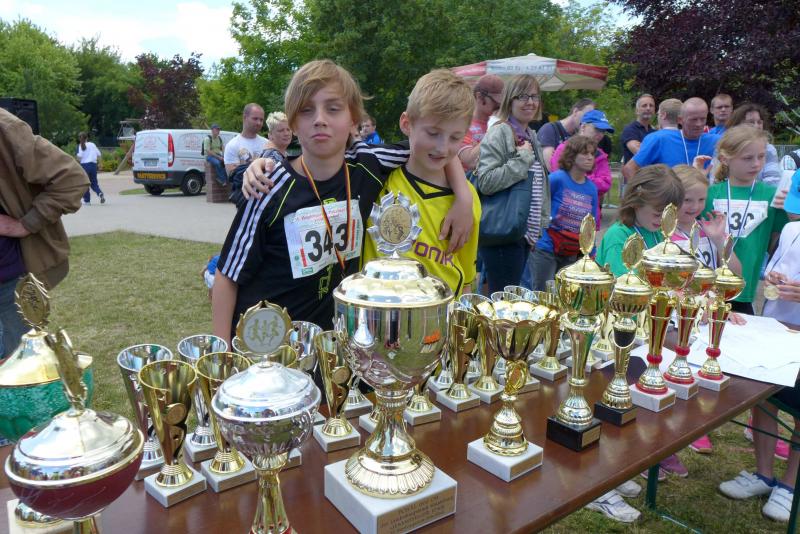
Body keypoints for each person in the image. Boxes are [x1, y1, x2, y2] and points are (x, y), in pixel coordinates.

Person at [212, 60, 473, 341]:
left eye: (333, 109)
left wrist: (464, 198)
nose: (320, 119)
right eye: (306, 110)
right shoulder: (268, 185)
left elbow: (434, 146)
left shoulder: (368, 166)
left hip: (333, 343)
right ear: (293, 123)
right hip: (269, 344)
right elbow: (226, 277)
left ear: (353, 119)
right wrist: (223, 353)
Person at [718, 175, 800, 523]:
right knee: (764, 395)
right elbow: (773, 274)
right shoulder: (793, 231)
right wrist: (775, 279)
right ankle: (764, 474)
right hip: (778, 328)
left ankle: (790, 486)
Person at [362, 69, 480, 297]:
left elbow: (465, 280)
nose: (442, 148)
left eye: (455, 137)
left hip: (441, 317)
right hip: (377, 313)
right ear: (406, 124)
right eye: (433, 133)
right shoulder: (376, 178)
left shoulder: (467, 199)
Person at [0, 108, 89, 359]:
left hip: (8, 283)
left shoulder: (5, 129)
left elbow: (72, 180)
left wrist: (25, 224)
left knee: (19, 367)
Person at [671, 164, 744, 456]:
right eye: (687, 200)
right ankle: (685, 426)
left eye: (701, 199)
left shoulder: (706, 230)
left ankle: (698, 421)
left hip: (709, 315)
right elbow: (677, 286)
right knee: (684, 369)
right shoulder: (667, 236)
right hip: (684, 317)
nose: (695, 206)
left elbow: (734, 274)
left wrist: (720, 240)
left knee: (709, 368)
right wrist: (707, 304)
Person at [473, 74, 551, 293]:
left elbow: (538, 188)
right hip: (503, 232)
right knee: (503, 300)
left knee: (506, 296)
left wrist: (537, 227)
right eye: (522, 96)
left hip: (521, 235)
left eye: (534, 96)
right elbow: (486, 181)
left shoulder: (530, 134)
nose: (530, 102)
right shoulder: (500, 132)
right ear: (510, 100)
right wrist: (523, 158)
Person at [704, 125, 788, 315]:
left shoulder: (772, 196)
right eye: (748, 158)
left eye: (761, 156)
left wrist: (792, 214)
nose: (756, 164)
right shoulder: (709, 195)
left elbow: (779, 246)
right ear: (725, 159)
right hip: (708, 291)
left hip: (744, 291)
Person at [529, 135, 598, 291]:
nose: (590, 157)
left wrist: (591, 251)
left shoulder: (591, 189)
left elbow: (590, 224)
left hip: (572, 249)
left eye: (592, 154)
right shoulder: (556, 179)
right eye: (585, 153)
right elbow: (537, 207)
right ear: (572, 156)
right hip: (547, 245)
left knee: (566, 293)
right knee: (543, 292)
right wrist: (534, 236)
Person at [622, 97, 719, 182]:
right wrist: (644, 194)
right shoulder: (660, 139)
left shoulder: (716, 141)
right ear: (680, 120)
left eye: (703, 119)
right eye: (693, 119)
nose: (699, 124)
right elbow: (629, 169)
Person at [549, 110, 613, 225]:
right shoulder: (564, 148)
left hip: (586, 220)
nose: (600, 135)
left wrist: (582, 181)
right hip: (560, 219)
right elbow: (560, 177)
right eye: (597, 129)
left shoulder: (600, 155)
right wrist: (583, 182)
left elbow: (606, 183)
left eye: (603, 131)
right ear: (583, 127)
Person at [230, 112, 294, 208]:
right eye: (281, 130)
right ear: (270, 135)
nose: (286, 133)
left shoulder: (280, 153)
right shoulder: (273, 156)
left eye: (288, 129)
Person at [725, 103, 781, 186]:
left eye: (759, 122)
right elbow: (717, 179)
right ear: (737, 125)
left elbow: (773, 182)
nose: (756, 126)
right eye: (751, 122)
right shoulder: (725, 148)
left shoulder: (768, 149)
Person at [458, 74, 504, 173]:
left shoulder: (500, 124)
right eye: (495, 101)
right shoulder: (463, 123)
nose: (499, 105)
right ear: (479, 97)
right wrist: (493, 131)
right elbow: (470, 161)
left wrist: (477, 148)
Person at [537, 98, 595, 171]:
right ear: (575, 111)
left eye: (592, 118)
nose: (588, 119)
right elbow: (550, 166)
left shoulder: (579, 134)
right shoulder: (550, 129)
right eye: (587, 114)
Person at [223, 103, 267, 175]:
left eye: (261, 120)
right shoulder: (232, 145)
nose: (259, 123)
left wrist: (242, 167)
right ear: (244, 118)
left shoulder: (267, 143)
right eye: (255, 119)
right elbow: (233, 176)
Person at [620, 94, 656, 164]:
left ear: (654, 110)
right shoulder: (630, 130)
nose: (648, 108)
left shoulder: (654, 132)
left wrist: (644, 146)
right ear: (637, 111)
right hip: (635, 171)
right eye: (644, 105)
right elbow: (641, 153)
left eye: (651, 105)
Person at [76, 132, 105, 205]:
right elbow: (99, 154)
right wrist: (100, 164)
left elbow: (79, 158)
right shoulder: (92, 144)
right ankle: (99, 193)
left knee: (85, 184)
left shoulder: (80, 146)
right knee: (94, 183)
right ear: (87, 138)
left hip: (84, 166)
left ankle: (87, 201)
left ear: (79, 138)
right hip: (93, 166)